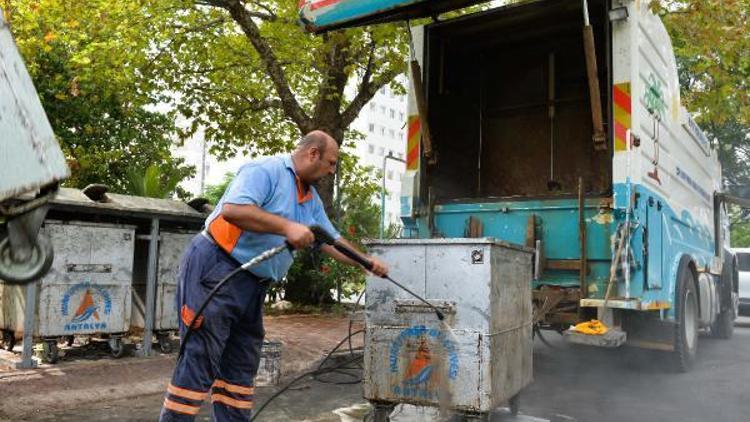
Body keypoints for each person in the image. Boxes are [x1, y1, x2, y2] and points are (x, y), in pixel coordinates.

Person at [159, 130, 388, 421]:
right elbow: (233, 210)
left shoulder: (310, 200)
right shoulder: (265, 171)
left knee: (240, 366)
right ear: (312, 154)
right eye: (331, 163)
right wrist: (286, 227)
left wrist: (365, 262)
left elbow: (332, 240)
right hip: (217, 269)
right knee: (201, 358)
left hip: (252, 285)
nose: (332, 170)